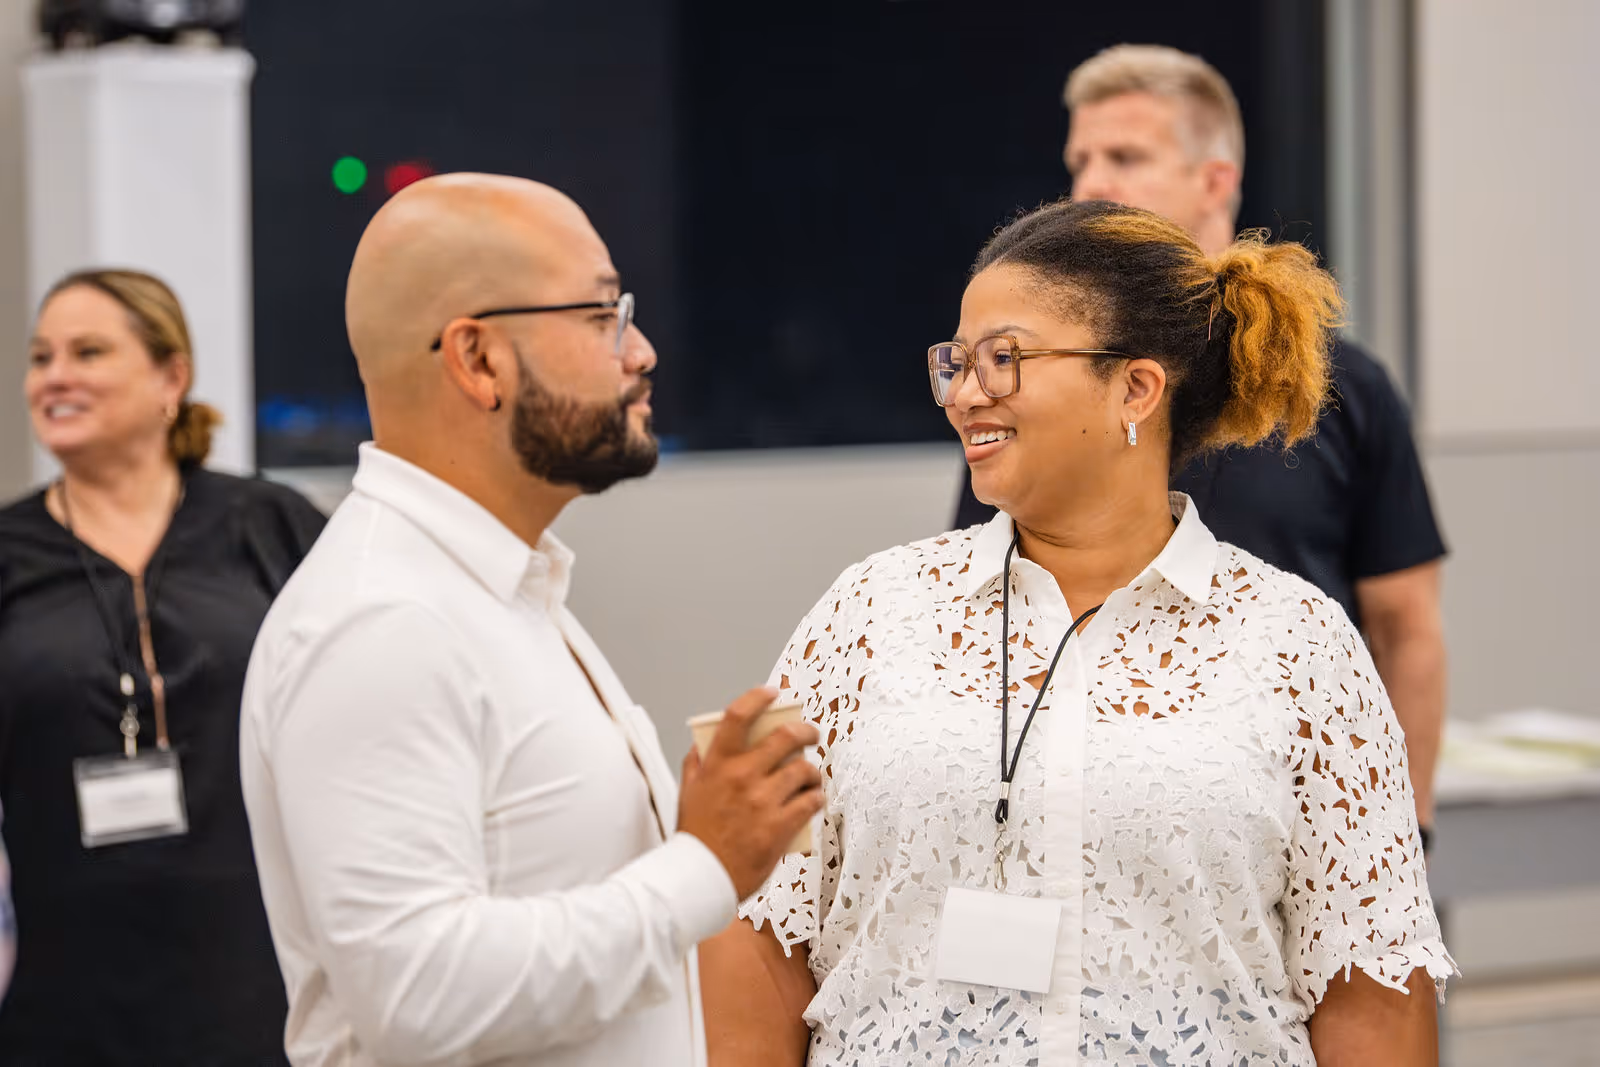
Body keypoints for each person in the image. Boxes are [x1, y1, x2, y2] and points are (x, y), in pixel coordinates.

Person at [705, 199, 1456, 1066]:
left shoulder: (1299, 642)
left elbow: (1371, 990)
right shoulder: (869, 612)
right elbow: (764, 925)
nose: (965, 393)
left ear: (1136, 388)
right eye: (957, 362)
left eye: (1004, 359)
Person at [240, 173, 824, 1067]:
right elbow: (417, 996)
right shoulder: (383, 619)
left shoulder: (492, 588)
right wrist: (705, 864)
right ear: (478, 361)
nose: (641, 353)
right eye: (600, 316)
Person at [954, 44, 1449, 839]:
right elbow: (985, 605)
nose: (1091, 184)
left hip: (1280, 810)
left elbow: (1406, 626)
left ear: (1215, 180)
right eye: (1080, 161)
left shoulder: (1344, 389)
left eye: (1125, 157)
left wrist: (1403, 827)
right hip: (1071, 808)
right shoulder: (1033, 396)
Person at [0, 269, 326, 1063]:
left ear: (170, 377)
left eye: (88, 352)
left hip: (259, 978)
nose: (55, 376)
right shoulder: (8, 553)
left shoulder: (269, 524)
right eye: (41, 357)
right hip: (65, 996)